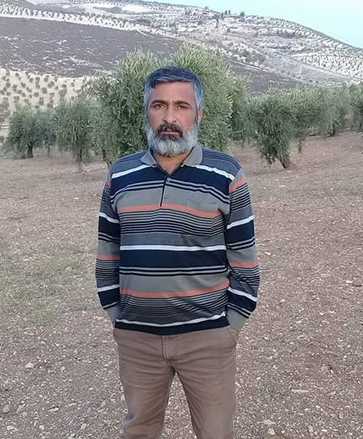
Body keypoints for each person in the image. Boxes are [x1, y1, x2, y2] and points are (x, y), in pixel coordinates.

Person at [95, 66, 260, 439]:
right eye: (159, 105)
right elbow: (107, 254)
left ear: (198, 114)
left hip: (207, 339)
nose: (169, 117)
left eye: (181, 106)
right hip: (137, 339)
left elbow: (245, 264)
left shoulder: (226, 174)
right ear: (147, 112)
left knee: (215, 434)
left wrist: (228, 328)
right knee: (139, 430)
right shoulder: (120, 175)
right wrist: (119, 318)